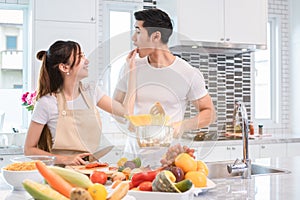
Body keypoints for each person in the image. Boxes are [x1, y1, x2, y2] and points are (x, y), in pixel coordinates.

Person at [113, 8, 216, 166]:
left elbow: (209, 113)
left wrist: (182, 125)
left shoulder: (188, 73)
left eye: (138, 32)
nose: (134, 39)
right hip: (132, 159)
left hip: (169, 161)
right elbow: (116, 108)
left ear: (156, 36)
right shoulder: (130, 67)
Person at [24, 40, 136, 165]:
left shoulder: (92, 92)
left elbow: (125, 111)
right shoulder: (48, 102)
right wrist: (66, 159)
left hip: (92, 169)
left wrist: (131, 71)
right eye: (80, 57)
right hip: (62, 173)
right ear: (64, 67)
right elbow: (29, 149)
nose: (87, 61)